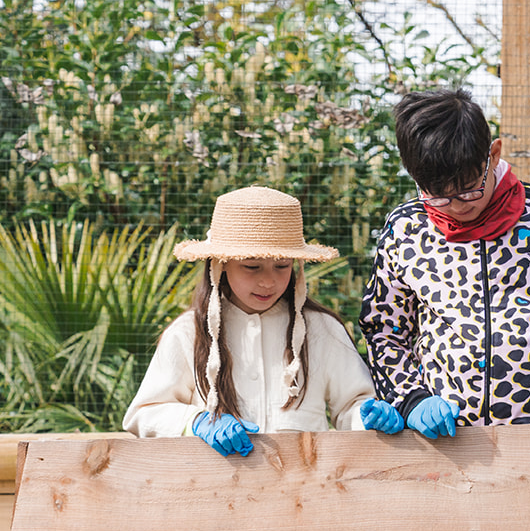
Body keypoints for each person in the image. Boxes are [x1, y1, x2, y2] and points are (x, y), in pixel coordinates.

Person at [358, 88, 530, 445]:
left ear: (494, 154)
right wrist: (412, 399)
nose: (456, 205)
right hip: (448, 444)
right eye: (438, 194)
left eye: (469, 189)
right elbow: (385, 329)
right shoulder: (405, 230)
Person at [124, 185, 389, 455]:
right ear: (221, 263)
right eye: (251, 266)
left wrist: (367, 417)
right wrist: (195, 422)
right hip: (214, 491)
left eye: (282, 266)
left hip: (307, 491)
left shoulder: (321, 329)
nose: (268, 281)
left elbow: (353, 405)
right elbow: (144, 414)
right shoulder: (188, 333)